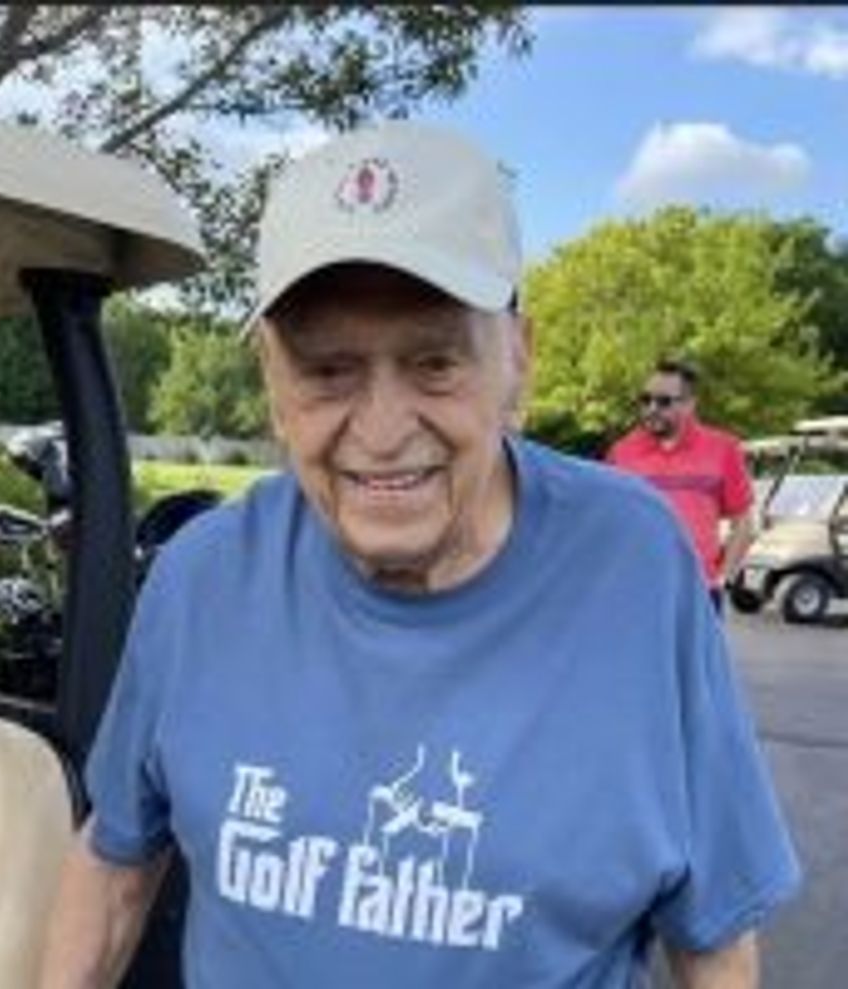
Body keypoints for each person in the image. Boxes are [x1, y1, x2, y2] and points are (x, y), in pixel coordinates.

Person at [40, 121, 800, 989]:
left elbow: (715, 937)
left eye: (435, 361)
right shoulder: (202, 578)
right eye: (328, 369)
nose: (381, 429)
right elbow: (114, 865)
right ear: (272, 382)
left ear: (518, 360)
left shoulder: (634, 567)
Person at [606, 361, 756, 612]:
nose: (652, 409)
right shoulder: (621, 453)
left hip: (699, 592)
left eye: (663, 401)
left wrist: (723, 579)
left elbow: (743, 523)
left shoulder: (724, 449)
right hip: (634, 592)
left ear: (689, 404)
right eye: (646, 400)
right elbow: (609, 521)